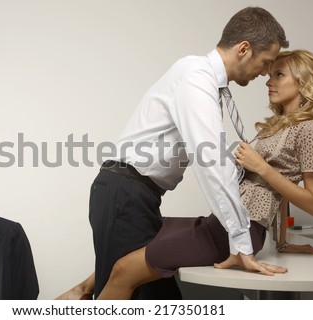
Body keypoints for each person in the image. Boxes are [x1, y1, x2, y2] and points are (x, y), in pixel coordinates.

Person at [57, 49, 313, 299]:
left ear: (304, 81)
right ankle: (83, 289)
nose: (268, 80)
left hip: (242, 229)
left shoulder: (312, 130)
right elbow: (278, 191)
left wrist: (261, 166)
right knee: (135, 231)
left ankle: (84, 293)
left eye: (279, 75)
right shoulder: (279, 127)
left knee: (123, 270)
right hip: (224, 222)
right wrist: (282, 242)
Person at [88, 7, 289, 299]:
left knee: (156, 297)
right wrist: (241, 241)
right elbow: (211, 162)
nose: (264, 73)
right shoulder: (196, 77)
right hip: (125, 194)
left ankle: (79, 291)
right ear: (244, 49)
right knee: (135, 295)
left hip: (136, 195)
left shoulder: (201, 77)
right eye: (265, 62)